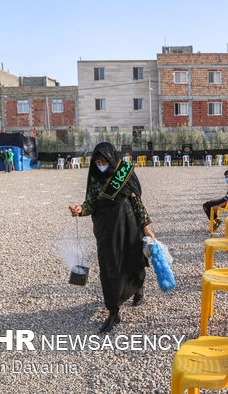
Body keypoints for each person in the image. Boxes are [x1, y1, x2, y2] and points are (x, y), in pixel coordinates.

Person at [69, 142, 155, 333]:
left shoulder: (123, 174)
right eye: (97, 162)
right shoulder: (95, 179)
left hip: (128, 225)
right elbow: (90, 203)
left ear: (112, 160)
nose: (101, 165)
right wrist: (80, 210)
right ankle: (113, 311)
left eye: (104, 161)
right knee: (108, 269)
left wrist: (146, 226)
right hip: (106, 230)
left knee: (133, 260)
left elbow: (136, 201)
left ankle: (138, 287)